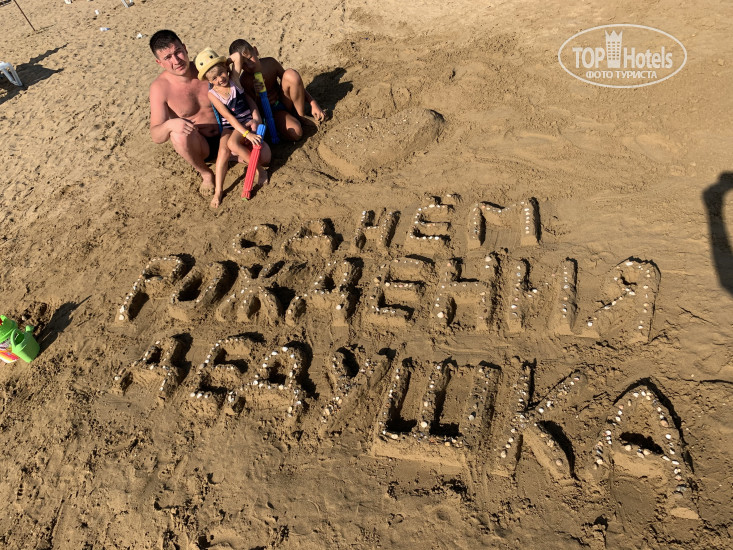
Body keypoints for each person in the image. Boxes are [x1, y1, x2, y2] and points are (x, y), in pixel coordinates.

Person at [148, 30, 229, 197]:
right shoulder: (160, 88)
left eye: (178, 52)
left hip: (227, 134)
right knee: (177, 135)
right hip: (201, 146)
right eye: (168, 57)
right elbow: (156, 136)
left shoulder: (205, 70)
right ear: (159, 62)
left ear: (185, 48)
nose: (176, 61)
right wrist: (170, 124)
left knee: (264, 158)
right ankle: (206, 173)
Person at [194, 48, 271, 208]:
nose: (220, 79)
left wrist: (224, 62)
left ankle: (260, 170)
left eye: (221, 73)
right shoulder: (212, 94)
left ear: (226, 69)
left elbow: (236, 56)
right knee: (222, 152)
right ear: (209, 81)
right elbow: (228, 117)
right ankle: (218, 191)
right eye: (214, 78)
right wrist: (246, 134)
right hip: (230, 125)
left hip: (246, 121)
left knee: (232, 144)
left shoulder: (234, 79)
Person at [229, 39, 328, 142]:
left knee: (291, 74)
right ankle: (282, 128)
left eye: (250, 58)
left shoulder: (270, 63)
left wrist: (312, 102)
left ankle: (301, 115)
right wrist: (257, 94)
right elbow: (255, 111)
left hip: (284, 101)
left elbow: (294, 83)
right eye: (243, 64)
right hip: (272, 114)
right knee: (296, 133)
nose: (249, 65)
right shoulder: (245, 81)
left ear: (255, 50)